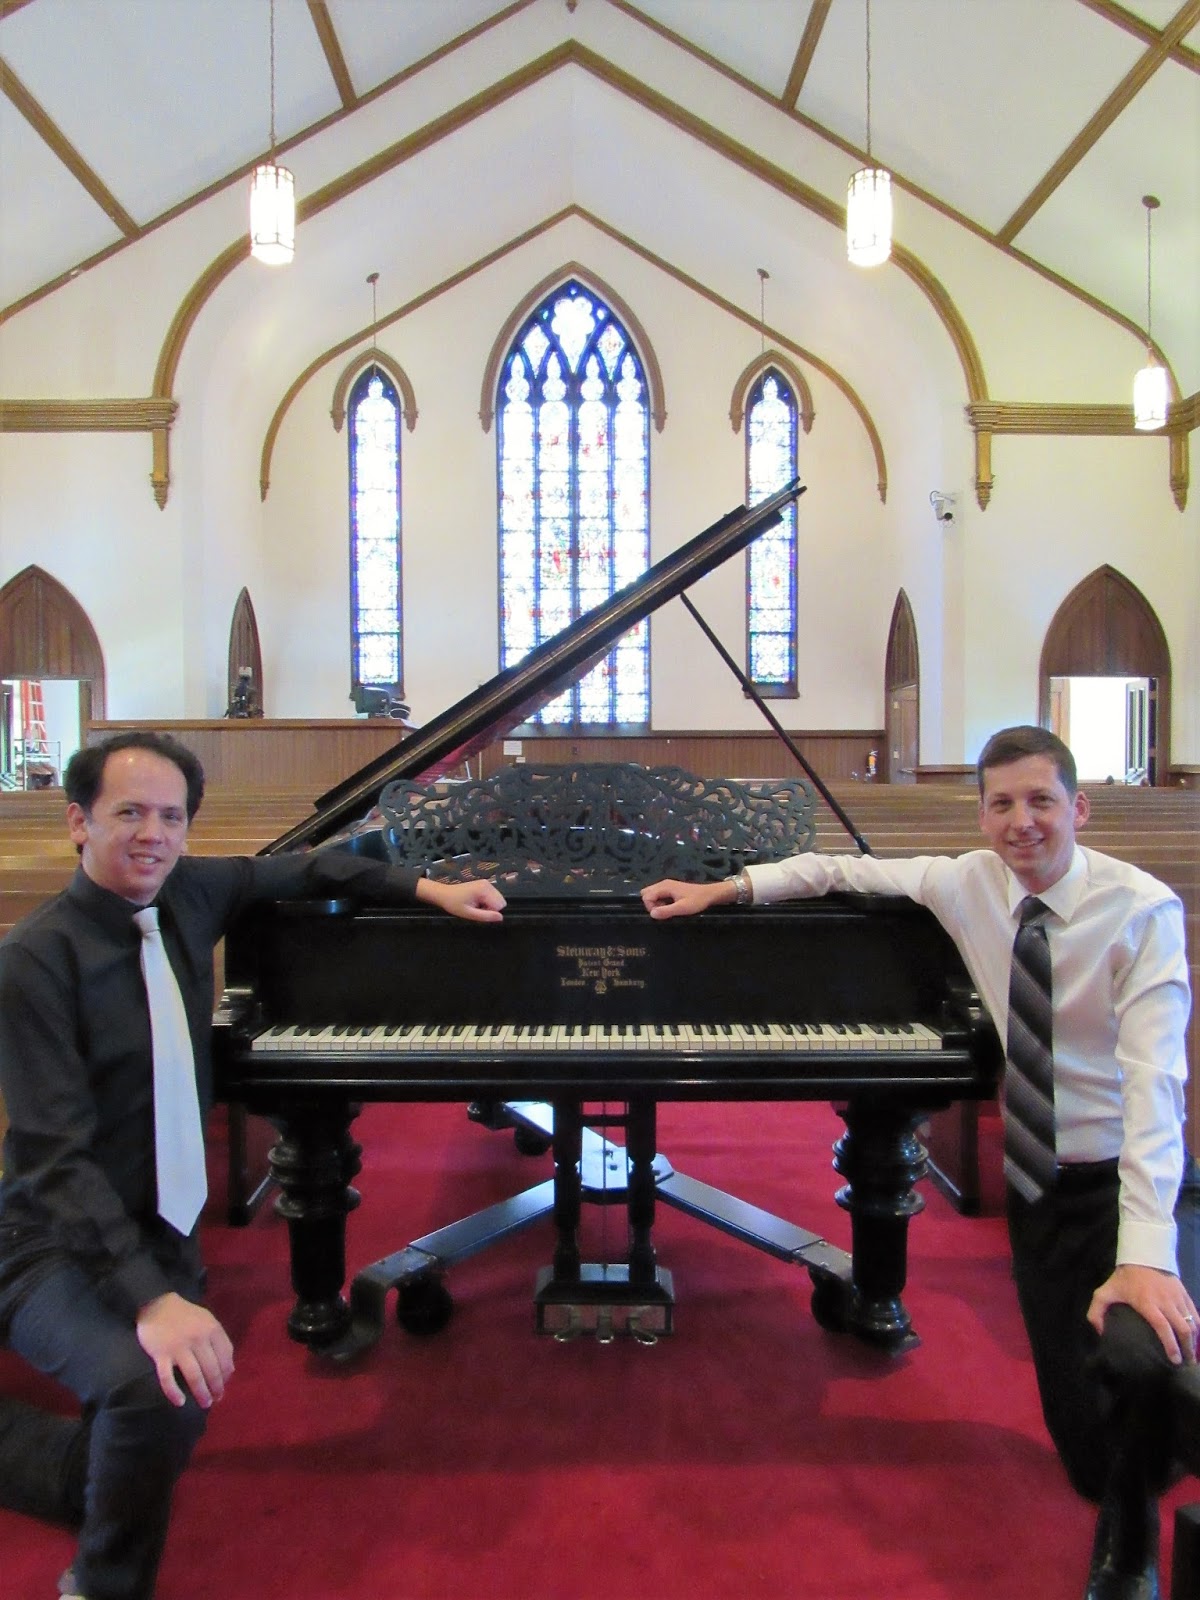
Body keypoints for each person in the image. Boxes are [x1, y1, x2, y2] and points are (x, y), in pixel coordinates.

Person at [641, 725, 1196, 1600]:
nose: (1023, 823)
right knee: (1076, 1428)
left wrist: (1145, 1255)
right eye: (1003, 804)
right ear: (981, 814)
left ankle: (1133, 1548)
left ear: (1078, 808)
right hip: (1035, 1182)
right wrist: (727, 888)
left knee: (1133, 1355)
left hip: (1125, 1174)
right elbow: (838, 869)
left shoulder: (1143, 913)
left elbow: (1155, 1093)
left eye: (1042, 801)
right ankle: (1135, 1456)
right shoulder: (966, 882)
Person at [0, 730, 506, 1600]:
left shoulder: (193, 892)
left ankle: (90, 1475)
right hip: (54, 1240)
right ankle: (100, 1582)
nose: (152, 834)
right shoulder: (34, 961)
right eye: (129, 814)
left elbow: (317, 869)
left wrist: (431, 888)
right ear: (79, 823)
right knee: (155, 1391)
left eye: (170, 816)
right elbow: (55, 1161)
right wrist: (153, 1300)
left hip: (162, 1225)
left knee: (166, 1417)